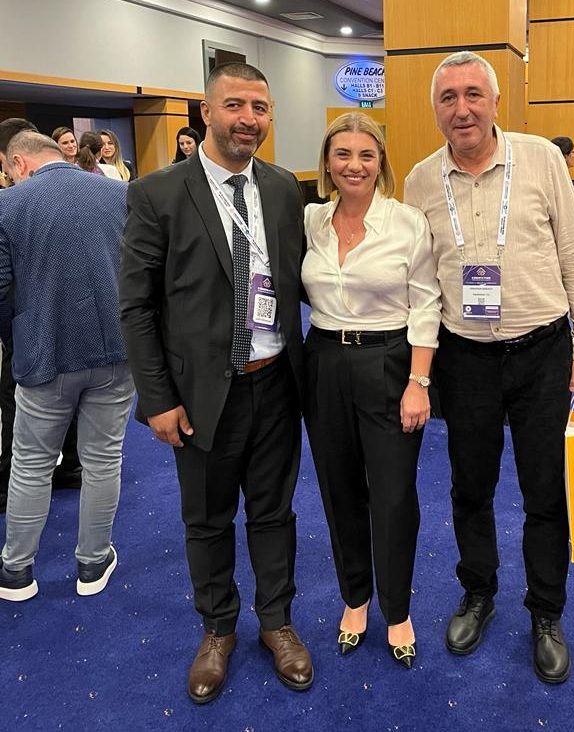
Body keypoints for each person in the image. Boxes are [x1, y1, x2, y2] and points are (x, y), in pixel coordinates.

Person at [404, 51, 574, 684]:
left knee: (544, 490)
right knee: (471, 486)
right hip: (464, 358)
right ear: (435, 109)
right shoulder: (420, 180)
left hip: (542, 352)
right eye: (448, 98)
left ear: (495, 102)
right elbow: (421, 282)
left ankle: (546, 611)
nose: (461, 109)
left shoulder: (541, 158)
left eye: (473, 94)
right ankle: (479, 592)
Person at [120, 62, 312, 703]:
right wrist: (157, 399)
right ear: (206, 112)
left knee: (274, 511)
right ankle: (218, 629)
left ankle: (277, 621)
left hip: (277, 383)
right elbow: (137, 307)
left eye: (260, 107)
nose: (248, 120)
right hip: (200, 395)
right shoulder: (157, 193)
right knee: (206, 519)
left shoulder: (283, 188)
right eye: (235, 105)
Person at [302, 113, 441, 669]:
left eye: (366, 154)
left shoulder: (406, 222)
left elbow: (426, 303)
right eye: (342, 154)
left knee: (393, 495)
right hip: (323, 361)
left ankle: (397, 609)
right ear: (327, 161)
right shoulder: (311, 219)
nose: (354, 165)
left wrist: (418, 382)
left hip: (390, 362)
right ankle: (355, 597)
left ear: (381, 161)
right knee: (338, 490)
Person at [0, 131, 134, 602]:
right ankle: (92, 562)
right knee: (103, 461)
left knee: (31, 465)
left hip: (44, 356)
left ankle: (16, 570)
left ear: (19, 163)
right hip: (116, 351)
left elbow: (0, 291)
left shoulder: (7, 205)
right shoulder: (119, 194)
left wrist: (17, 339)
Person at [0, 119, 83, 514]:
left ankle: (10, 481)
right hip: (82, 325)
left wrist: (11, 332)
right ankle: (71, 465)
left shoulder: (11, 203)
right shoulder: (103, 191)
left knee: (19, 412)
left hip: (29, 326)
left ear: (16, 160)